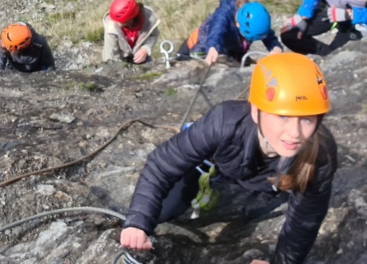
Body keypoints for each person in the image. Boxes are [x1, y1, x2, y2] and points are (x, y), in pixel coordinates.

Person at [120, 53, 337, 264]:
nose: (295, 133)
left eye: (307, 120)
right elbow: (161, 165)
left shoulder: (320, 153)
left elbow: (305, 220)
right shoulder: (224, 123)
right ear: (256, 111)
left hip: (262, 183)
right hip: (212, 166)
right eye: (282, 116)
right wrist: (137, 223)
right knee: (164, 210)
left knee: (252, 211)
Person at [177, 0, 284, 65]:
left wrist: (275, 48)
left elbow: (266, 34)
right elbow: (216, 30)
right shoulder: (223, 14)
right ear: (238, 24)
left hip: (231, 52)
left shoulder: (254, 16)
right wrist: (213, 47)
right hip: (198, 47)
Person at [102, 0, 161, 64]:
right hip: (120, 58)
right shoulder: (111, 28)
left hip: (141, 56)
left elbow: (153, 35)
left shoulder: (148, 21)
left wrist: (146, 49)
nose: (115, 24)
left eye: (120, 22)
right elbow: (111, 56)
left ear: (130, 19)